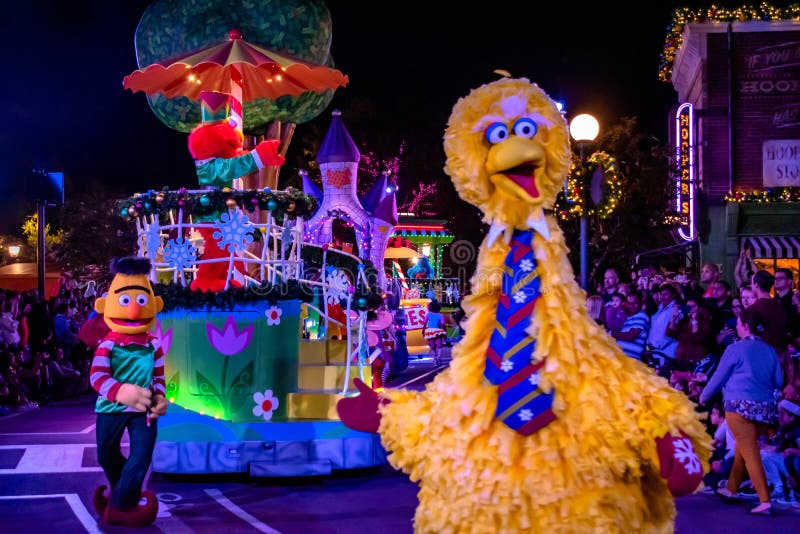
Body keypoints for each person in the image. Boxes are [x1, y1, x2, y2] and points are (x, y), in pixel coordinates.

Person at [90, 257, 167, 527]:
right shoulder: (108, 344)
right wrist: (120, 391)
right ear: (106, 305)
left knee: (141, 457)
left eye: (141, 301)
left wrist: (159, 398)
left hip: (143, 412)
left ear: (154, 304)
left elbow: (159, 376)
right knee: (105, 454)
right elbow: (97, 377)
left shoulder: (153, 344)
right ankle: (125, 498)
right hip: (110, 409)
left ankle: (120, 506)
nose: (134, 310)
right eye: (125, 301)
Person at [700, 308, 784, 516]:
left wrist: (704, 395)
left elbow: (719, 376)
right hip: (764, 410)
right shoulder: (769, 350)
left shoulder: (735, 349)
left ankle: (765, 501)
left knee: (749, 451)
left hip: (738, 407)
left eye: (738, 323)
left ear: (745, 326)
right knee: (743, 447)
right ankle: (731, 489)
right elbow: (779, 381)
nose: (736, 326)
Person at [609, 290, 650, 361]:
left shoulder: (641, 316)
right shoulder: (626, 317)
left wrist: (612, 333)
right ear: (625, 303)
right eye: (630, 303)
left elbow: (630, 336)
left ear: (641, 303)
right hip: (621, 359)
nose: (633, 306)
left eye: (635, 303)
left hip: (631, 361)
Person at [423, 300, 447, 366]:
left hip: (430, 332)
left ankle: (435, 359)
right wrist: (445, 332)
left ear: (430, 308)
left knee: (432, 346)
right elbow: (443, 325)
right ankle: (438, 358)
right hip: (438, 332)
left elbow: (425, 324)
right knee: (439, 346)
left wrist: (423, 331)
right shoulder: (440, 315)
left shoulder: (428, 315)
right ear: (438, 307)